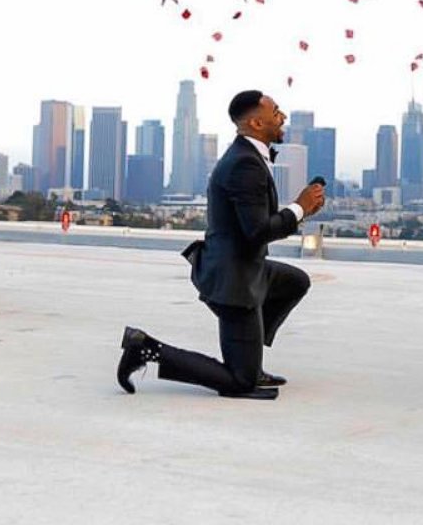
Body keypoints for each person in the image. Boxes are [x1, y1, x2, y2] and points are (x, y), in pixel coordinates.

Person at [117, 90, 325, 400]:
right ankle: (146, 348)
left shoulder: (252, 156)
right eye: (276, 112)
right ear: (256, 122)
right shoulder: (245, 164)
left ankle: (249, 352)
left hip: (246, 268)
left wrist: (302, 210)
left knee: (296, 281)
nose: (283, 117)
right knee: (240, 383)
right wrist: (299, 208)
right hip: (233, 282)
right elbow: (257, 231)